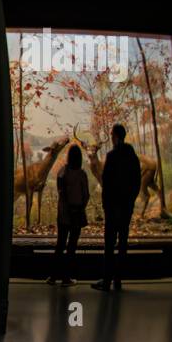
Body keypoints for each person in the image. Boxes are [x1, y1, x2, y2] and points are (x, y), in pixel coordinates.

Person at [92, 123, 141, 291]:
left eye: (112, 134)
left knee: (109, 244)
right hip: (126, 207)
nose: (111, 137)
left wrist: (106, 205)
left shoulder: (112, 156)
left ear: (115, 136)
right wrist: (131, 201)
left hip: (113, 209)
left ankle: (106, 281)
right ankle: (118, 280)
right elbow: (137, 181)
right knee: (122, 243)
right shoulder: (132, 156)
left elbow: (106, 183)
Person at [47, 143, 88, 286]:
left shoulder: (61, 172)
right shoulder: (82, 174)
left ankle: (52, 277)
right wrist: (81, 207)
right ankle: (66, 278)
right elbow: (86, 195)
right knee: (71, 246)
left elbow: (60, 193)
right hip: (76, 214)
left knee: (60, 244)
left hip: (63, 213)